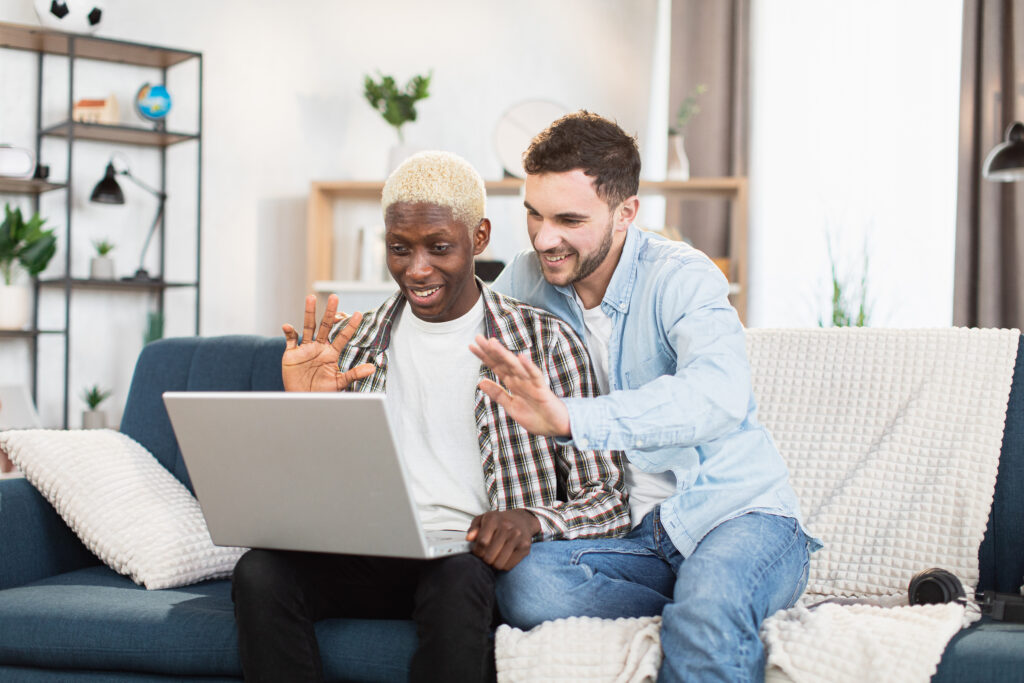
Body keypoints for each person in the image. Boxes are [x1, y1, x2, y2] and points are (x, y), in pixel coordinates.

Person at [230, 150, 629, 683]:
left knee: (458, 580)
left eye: (439, 247)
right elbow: (309, 496)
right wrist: (310, 410)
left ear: (479, 238)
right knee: (259, 571)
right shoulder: (352, 342)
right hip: (369, 549)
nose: (416, 269)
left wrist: (531, 521)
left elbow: (609, 498)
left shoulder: (544, 342)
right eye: (399, 249)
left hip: (464, 558)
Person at [469, 111, 821, 683]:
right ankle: (708, 603)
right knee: (526, 585)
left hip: (736, 515)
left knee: (706, 611)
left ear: (626, 213)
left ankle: (713, 605)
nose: (543, 237)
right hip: (634, 538)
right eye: (533, 213)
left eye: (568, 219)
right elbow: (456, 350)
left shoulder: (682, 277)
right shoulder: (527, 279)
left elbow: (718, 395)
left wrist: (572, 419)